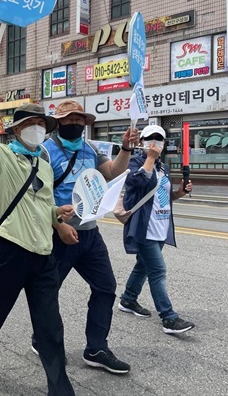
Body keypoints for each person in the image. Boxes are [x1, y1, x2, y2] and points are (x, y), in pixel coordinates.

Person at [0, 65, 77, 395]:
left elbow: (43, 204)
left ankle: (60, 387)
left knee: (50, 325)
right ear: (16, 130)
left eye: (42, 124)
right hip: (12, 250)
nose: (38, 129)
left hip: (44, 254)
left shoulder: (44, 163)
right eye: (31, 124)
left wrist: (58, 214)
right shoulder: (1, 158)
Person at [30, 100, 136, 374]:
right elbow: (36, 197)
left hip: (89, 234)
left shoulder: (90, 149)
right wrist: (58, 225)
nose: (75, 124)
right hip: (59, 235)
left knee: (105, 287)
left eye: (79, 119)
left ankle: (96, 348)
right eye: (68, 119)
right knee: (49, 293)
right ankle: (43, 340)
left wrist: (125, 148)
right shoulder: (45, 152)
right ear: (59, 123)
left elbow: (113, 172)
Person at [118, 125, 195, 334]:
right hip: (143, 227)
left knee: (143, 266)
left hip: (161, 226)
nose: (155, 141)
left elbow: (162, 198)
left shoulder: (163, 167)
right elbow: (139, 181)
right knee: (158, 271)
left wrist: (179, 193)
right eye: (150, 138)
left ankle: (127, 299)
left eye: (159, 138)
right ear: (141, 141)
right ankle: (169, 317)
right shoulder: (133, 162)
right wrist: (150, 158)